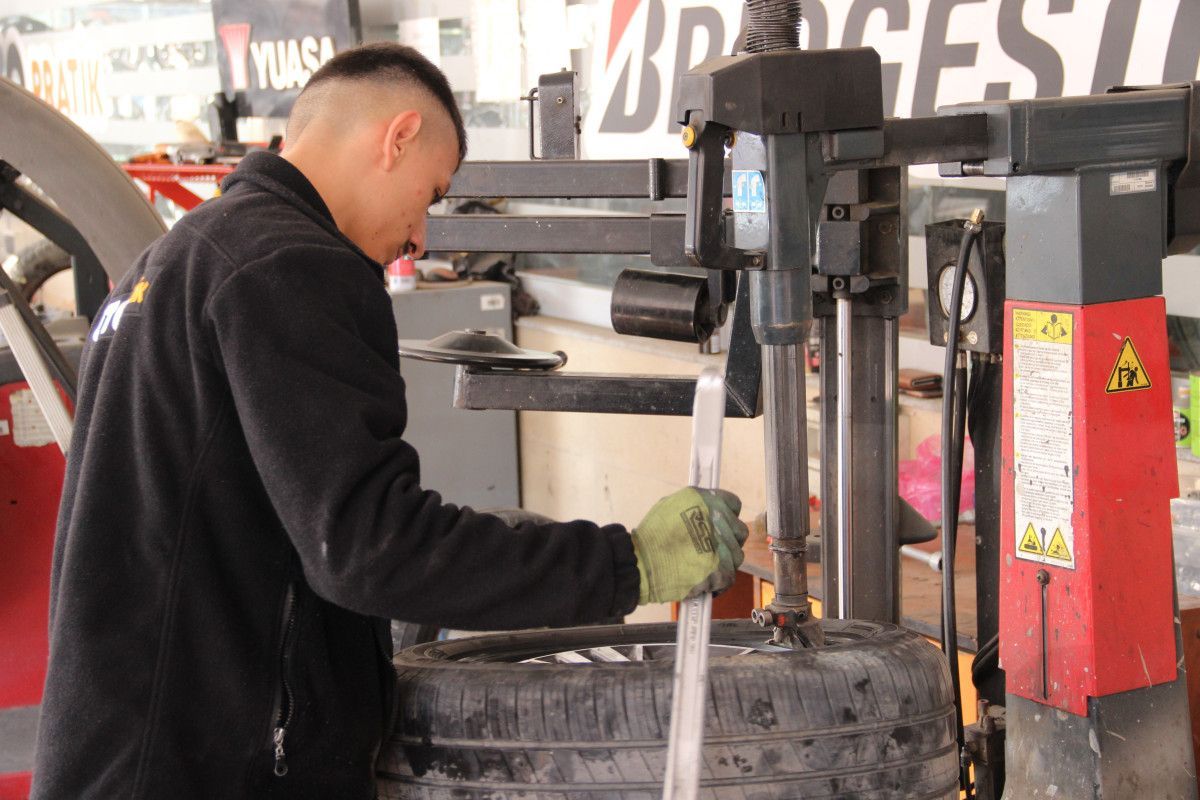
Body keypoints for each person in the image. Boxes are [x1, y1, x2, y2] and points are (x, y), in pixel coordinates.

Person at [31, 43, 747, 799]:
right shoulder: (292, 265)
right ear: (398, 137)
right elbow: (370, 547)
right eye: (432, 194)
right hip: (208, 771)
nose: (421, 237)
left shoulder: (173, 260)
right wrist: (626, 563)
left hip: (130, 755)